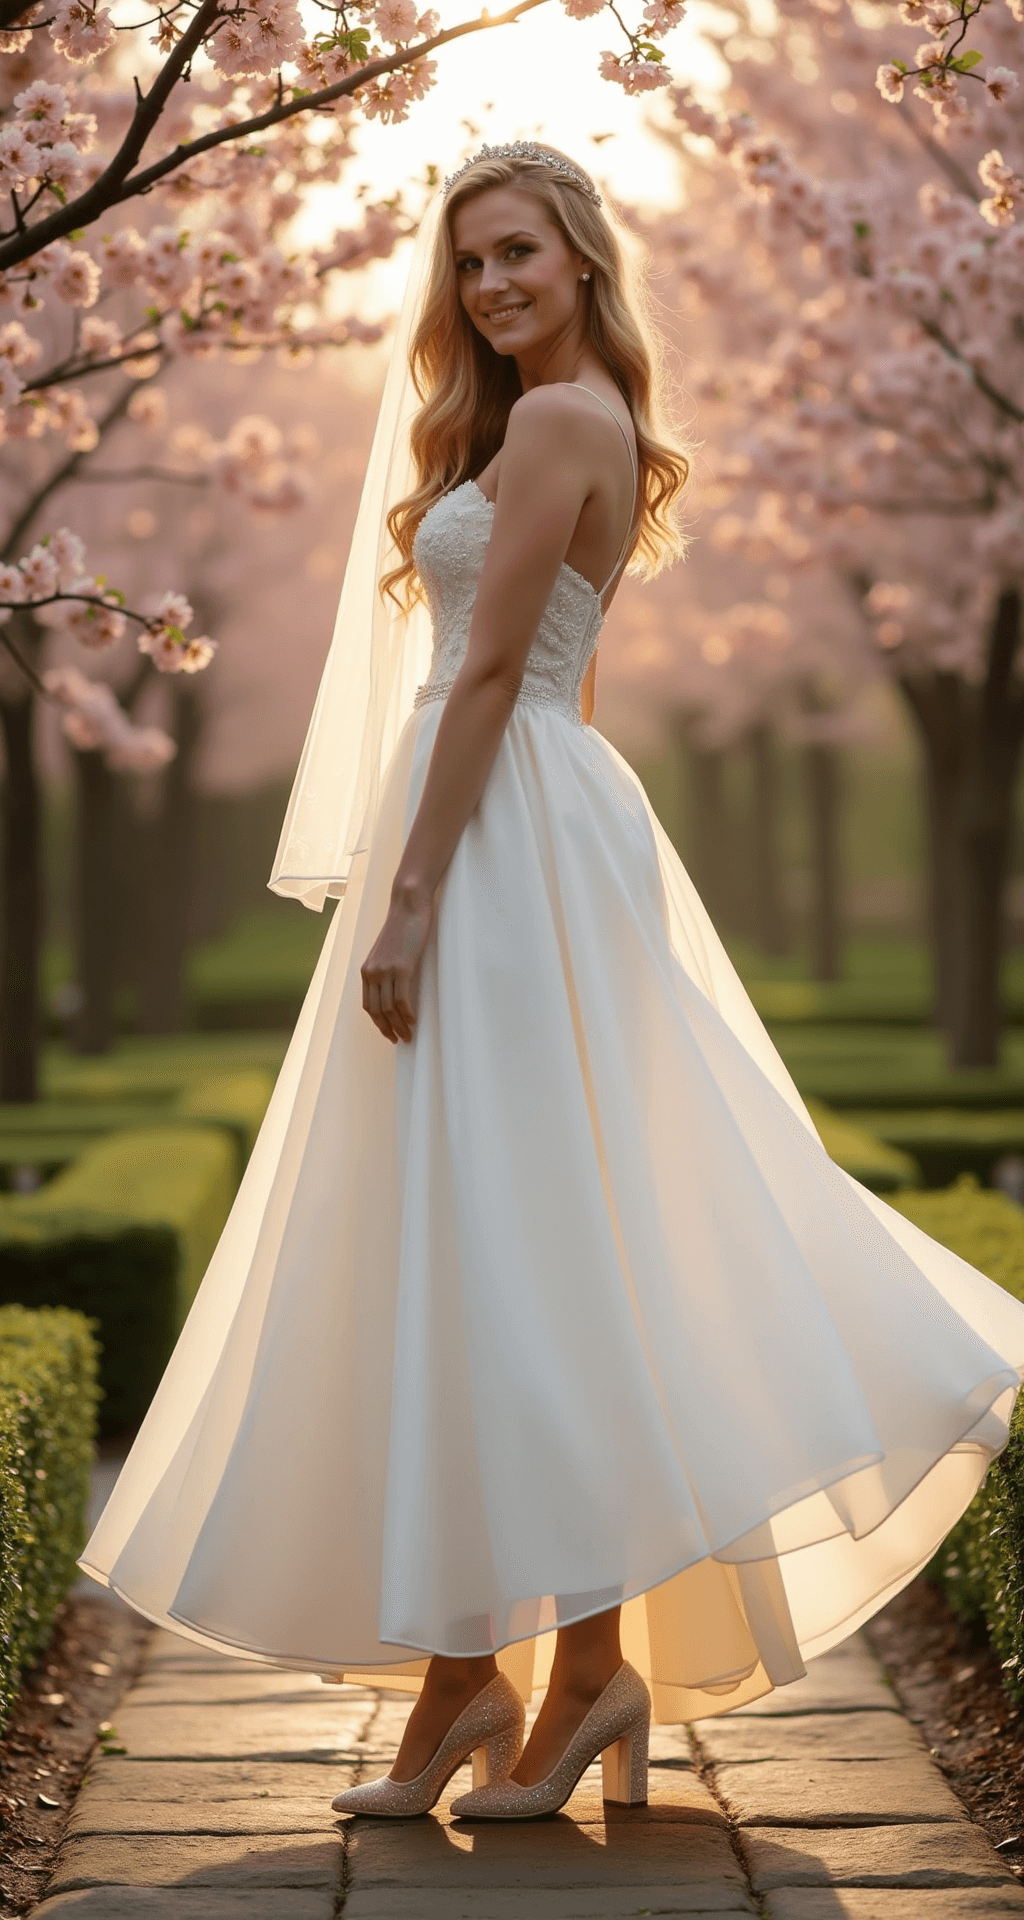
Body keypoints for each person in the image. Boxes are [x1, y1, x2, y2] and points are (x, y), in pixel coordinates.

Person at [80, 142, 1024, 1827]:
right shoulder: (555, 426)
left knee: (526, 1245)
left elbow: (500, 670)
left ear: (584, 257)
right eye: (470, 266)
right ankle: (483, 1678)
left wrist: (420, 894)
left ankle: (568, 1673)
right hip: (522, 828)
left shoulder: (558, 422)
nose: (492, 285)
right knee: (486, 1248)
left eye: (519, 253)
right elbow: (536, 692)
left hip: (492, 847)